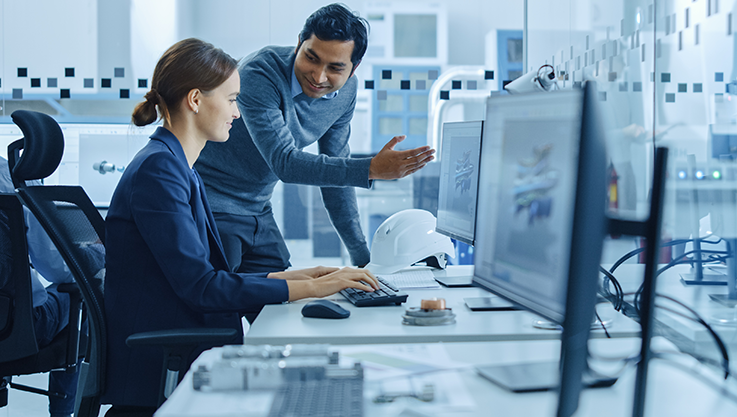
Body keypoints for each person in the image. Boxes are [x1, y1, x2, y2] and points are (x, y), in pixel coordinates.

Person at [102, 38, 379, 416]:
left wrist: (300, 276)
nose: (237, 112)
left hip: (190, 356)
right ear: (196, 101)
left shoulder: (175, 165)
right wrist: (310, 288)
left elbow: (210, 275)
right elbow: (202, 287)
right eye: (232, 100)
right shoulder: (159, 172)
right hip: (165, 376)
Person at [195, 3, 435, 274]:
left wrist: (363, 259)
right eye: (311, 57)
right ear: (299, 44)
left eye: (335, 67)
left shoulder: (345, 93)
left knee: (280, 303)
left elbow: (337, 175)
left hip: (258, 206)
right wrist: (370, 169)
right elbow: (284, 163)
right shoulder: (259, 74)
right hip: (211, 204)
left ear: (353, 70)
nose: (318, 76)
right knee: (221, 307)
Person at [0, 157, 81, 417]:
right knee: (80, 296)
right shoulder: (13, 175)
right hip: (13, 327)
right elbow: (56, 267)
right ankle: (62, 414)